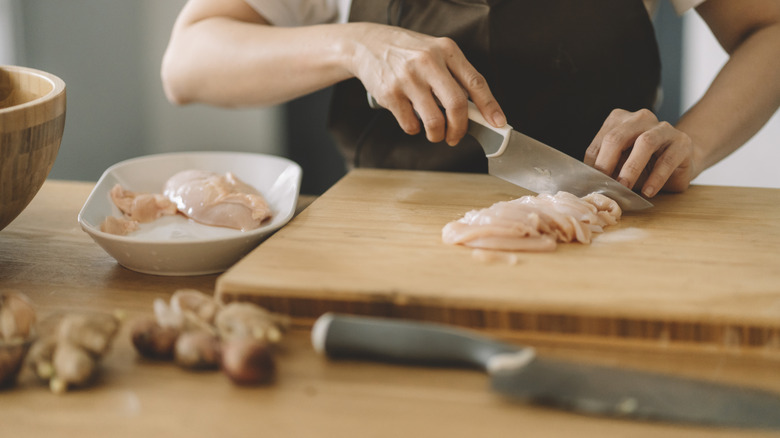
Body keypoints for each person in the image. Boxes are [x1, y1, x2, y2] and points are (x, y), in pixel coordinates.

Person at [161, 0, 780, 198]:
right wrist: (353, 46)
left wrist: (692, 143)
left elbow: (768, 27)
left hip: (614, 231)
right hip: (387, 242)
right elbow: (189, 61)